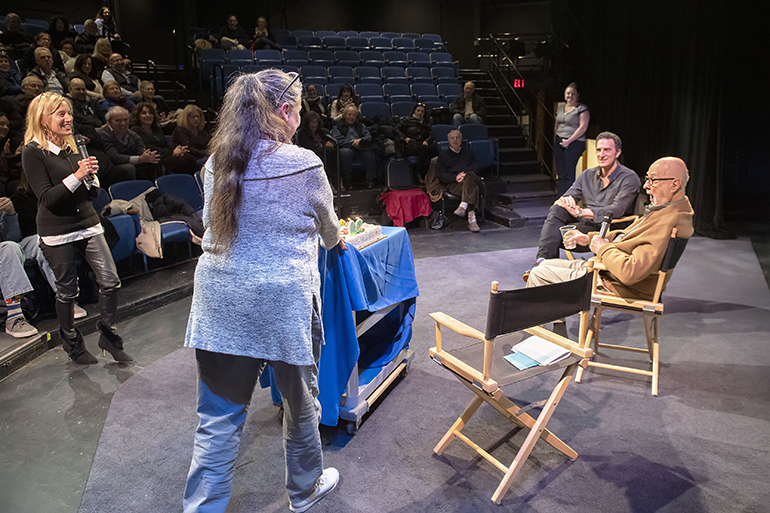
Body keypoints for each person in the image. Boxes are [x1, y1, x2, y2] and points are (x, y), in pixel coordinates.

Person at [183, 69, 342, 513]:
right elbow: (330, 233)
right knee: (301, 406)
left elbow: (214, 225)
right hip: (283, 304)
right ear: (285, 112)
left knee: (216, 422)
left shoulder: (216, 162)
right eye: (299, 113)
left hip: (220, 301)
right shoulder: (305, 162)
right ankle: (305, 491)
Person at [22, 92, 130, 363]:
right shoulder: (33, 151)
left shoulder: (74, 145)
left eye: (68, 113)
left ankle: (108, 334)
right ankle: (72, 343)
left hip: (87, 222)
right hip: (56, 229)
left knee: (110, 281)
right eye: (61, 114)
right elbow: (47, 198)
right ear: (43, 119)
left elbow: (90, 194)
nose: (68, 118)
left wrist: (91, 179)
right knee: (68, 291)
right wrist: (77, 175)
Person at [527, 157, 694, 301]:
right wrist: (590, 238)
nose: (646, 186)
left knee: (539, 274)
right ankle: (551, 326)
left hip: (616, 284)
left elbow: (630, 273)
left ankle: (535, 334)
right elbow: (627, 236)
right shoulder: (667, 210)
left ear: (674, 185)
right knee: (544, 265)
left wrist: (602, 248)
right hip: (607, 270)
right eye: (647, 179)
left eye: (653, 180)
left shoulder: (667, 222)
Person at [533, 132, 641, 264]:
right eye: (599, 150)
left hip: (612, 227)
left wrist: (580, 212)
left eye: (607, 150)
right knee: (557, 210)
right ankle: (543, 262)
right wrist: (567, 201)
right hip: (589, 223)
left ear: (617, 153)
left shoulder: (629, 178)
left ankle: (547, 266)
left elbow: (617, 209)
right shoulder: (587, 175)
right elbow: (569, 195)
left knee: (552, 236)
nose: (601, 155)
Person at [98, 105, 161, 182]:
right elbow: (114, 157)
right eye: (118, 121)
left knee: (155, 162)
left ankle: (154, 189)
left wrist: (147, 155)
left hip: (132, 162)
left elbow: (141, 149)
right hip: (112, 166)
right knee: (129, 168)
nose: (123, 123)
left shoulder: (132, 134)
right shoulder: (103, 134)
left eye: (125, 120)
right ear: (109, 122)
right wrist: (140, 159)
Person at [131, 102, 197, 175]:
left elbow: (166, 144)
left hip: (165, 156)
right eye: (144, 113)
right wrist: (172, 153)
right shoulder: (136, 130)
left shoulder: (156, 128)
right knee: (185, 160)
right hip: (155, 159)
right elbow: (149, 148)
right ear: (138, 116)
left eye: (150, 113)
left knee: (189, 157)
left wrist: (175, 150)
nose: (148, 115)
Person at [436, 130, 483, 232]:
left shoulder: (468, 152)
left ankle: (463, 205)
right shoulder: (443, 156)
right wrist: (455, 177)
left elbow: (477, 167)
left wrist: (464, 174)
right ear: (448, 141)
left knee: (470, 175)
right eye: (452, 138)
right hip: (453, 184)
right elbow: (440, 174)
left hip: (469, 178)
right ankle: (471, 219)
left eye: (457, 138)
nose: (455, 140)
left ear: (461, 140)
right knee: (473, 188)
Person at [554, 83, 590, 195]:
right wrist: (557, 137)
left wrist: (568, 141)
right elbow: (557, 123)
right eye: (568, 93)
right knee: (560, 173)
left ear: (577, 95)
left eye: (573, 94)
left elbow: (583, 127)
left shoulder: (582, 109)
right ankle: (560, 198)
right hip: (560, 141)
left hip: (574, 143)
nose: (570, 96)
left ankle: (569, 199)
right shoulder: (560, 108)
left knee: (569, 174)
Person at [332, 104, 378, 189]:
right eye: (349, 115)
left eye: (353, 115)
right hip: (346, 148)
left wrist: (360, 141)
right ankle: (347, 181)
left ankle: (370, 180)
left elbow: (368, 137)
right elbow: (338, 140)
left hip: (360, 148)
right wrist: (352, 142)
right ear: (344, 115)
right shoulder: (337, 126)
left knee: (369, 153)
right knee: (346, 152)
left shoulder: (361, 126)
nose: (351, 117)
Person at [394, 103, 436, 182]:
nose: (420, 113)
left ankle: (431, 175)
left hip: (422, 144)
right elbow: (396, 130)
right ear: (414, 111)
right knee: (424, 150)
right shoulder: (407, 120)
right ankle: (418, 173)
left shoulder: (426, 123)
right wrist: (405, 138)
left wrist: (427, 140)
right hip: (410, 145)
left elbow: (431, 134)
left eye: (422, 111)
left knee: (434, 148)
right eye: (418, 110)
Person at [297, 111, 336, 187]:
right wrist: (324, 147)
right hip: (311, 154)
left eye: (316, 122)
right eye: (312, 122)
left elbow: (325, 141)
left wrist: (328, 144)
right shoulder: (302, 133)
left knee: (333, 152)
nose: (314, 125)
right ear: (307, 123)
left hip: (324, 154)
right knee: (326, 153)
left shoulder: (320, 132)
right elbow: (308, 146)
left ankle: (336, 180)